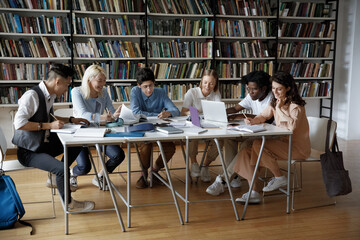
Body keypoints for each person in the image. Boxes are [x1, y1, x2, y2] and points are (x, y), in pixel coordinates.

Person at [12, 63, 95, 211]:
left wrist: (71, 120)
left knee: (76, 143)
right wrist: (49, 126)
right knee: (62, 170)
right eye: (67, 84)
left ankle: (55, 177)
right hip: (28, 151)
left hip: (42, 144)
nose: (67, 89)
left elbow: (49, 117)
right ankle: (69, 204)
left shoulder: (48, 95)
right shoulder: (32, 96)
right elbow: (19, 123)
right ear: (57, 81)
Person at [233, 72, 311, 204]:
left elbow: (292, 127)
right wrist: (253, 121)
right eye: (273, 88)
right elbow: (263, 116)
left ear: (288, 88)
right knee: (246, 150)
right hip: (281, 144)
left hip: (297, 148)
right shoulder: (275, 102)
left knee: (258, 144)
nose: (275, 92)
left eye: (279, 89)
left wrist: (279, 109)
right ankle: (254, 191)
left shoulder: (296, 106)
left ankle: (279, 177)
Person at [206, 70, 273, 195]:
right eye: (248, 89)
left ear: (264, 88)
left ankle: (223, 180)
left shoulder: (272, 98)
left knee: (245, 146)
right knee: (229, 138)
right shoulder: (252, 95)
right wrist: (218, 113)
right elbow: (236, 108)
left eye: (254, 89)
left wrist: (238, 116)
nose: (250, 92)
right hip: (253, 131)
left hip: (267, 135)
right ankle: (235, 177)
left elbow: (266, 118)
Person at [71, 64, 125, 190]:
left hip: (98, 132)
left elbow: (111, 111)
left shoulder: (104, 93)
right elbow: (83, 115)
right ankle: (71, 174)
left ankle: (100, 176)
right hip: (81, 133)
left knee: (118, 155)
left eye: (104, 81)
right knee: (84, 167)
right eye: (99, 81)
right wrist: (102, 117)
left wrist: (116, 115)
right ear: (89, 79)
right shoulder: (76, 92)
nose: (102, 84)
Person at [130, 67, 180, 189]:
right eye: (145, 86)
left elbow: (176, 111)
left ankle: (155, 170)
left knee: (170, 148)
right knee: (146, 146)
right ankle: (143, 173)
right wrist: (157, 115)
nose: (149, 90)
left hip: (159, 127)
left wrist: (168, 113)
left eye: (151, 85)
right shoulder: (135, 91)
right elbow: (136, 112)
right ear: (139, 85)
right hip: (142, 127)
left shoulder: (160, 92)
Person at [180, 69, 222, 182]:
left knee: (221, 140)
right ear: (201, 82)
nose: (207, 86)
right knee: (192, 135)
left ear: (215, 84)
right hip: (195, 123)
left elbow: (218, 112)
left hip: (210, 125)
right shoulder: (192, 92)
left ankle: (205, 165)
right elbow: (182, 112)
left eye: (211, 83)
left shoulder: (216, 94)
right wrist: (193, 112)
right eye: (205, 82)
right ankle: (194, 162)